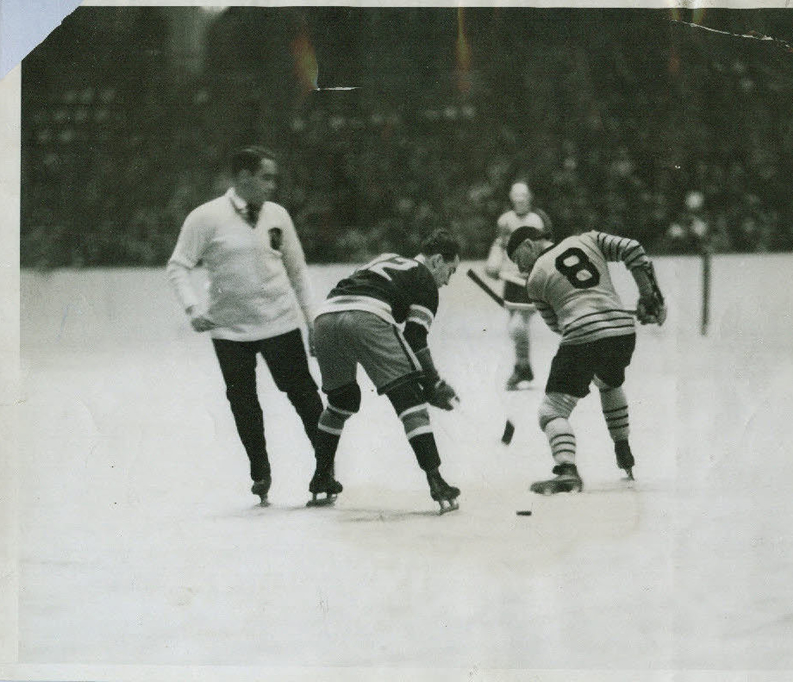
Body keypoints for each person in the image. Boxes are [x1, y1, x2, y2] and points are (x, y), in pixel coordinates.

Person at [166, 146, 323, 505]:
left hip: (279, 322)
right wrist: (193, 309)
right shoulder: (206, 218)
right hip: (230, 330)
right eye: (266, 177)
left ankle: (325, 468)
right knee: (243, 402)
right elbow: (178, 265)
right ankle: (260, 472)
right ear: (243, 177)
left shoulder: (278, 216)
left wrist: (312, 321)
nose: (272, 185)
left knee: (305, 396)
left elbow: (297, 270)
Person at [504, 226, 666, 493]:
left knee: (552, 411)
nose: (521, 268)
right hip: (622, 332)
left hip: (582, 336)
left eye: (518, 259)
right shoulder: (588, 239)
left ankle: (567, 470)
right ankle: (623, 451)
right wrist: (649, 297)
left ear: (529, 245)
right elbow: (634, 248)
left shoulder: (534, 280)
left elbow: (558, 326)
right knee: (609, 383)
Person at [309, 229, 462, 514]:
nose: (446, 281)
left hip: (325, 318)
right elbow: (416, 339)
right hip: (367, 317)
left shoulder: (386, 259)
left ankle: (321, 477)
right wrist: (433, 384)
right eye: (450, 272)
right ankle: (437, 481)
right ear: (437, 260)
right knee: (410, 403)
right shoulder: (425, 278)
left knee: (341, 403)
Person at [485, 181, 553, 390]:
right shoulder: (505, 220)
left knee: (518, 324)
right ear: (511, 197)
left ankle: (521, 367)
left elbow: (546, 246)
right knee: (515, 325)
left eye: (524, 194)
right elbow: (500, 243)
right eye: (516, 195)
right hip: (511, 279)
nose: (520, 199)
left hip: (528, 279)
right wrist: (493, 262)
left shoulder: (537, 220)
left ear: (530, 197)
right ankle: (523, 367)